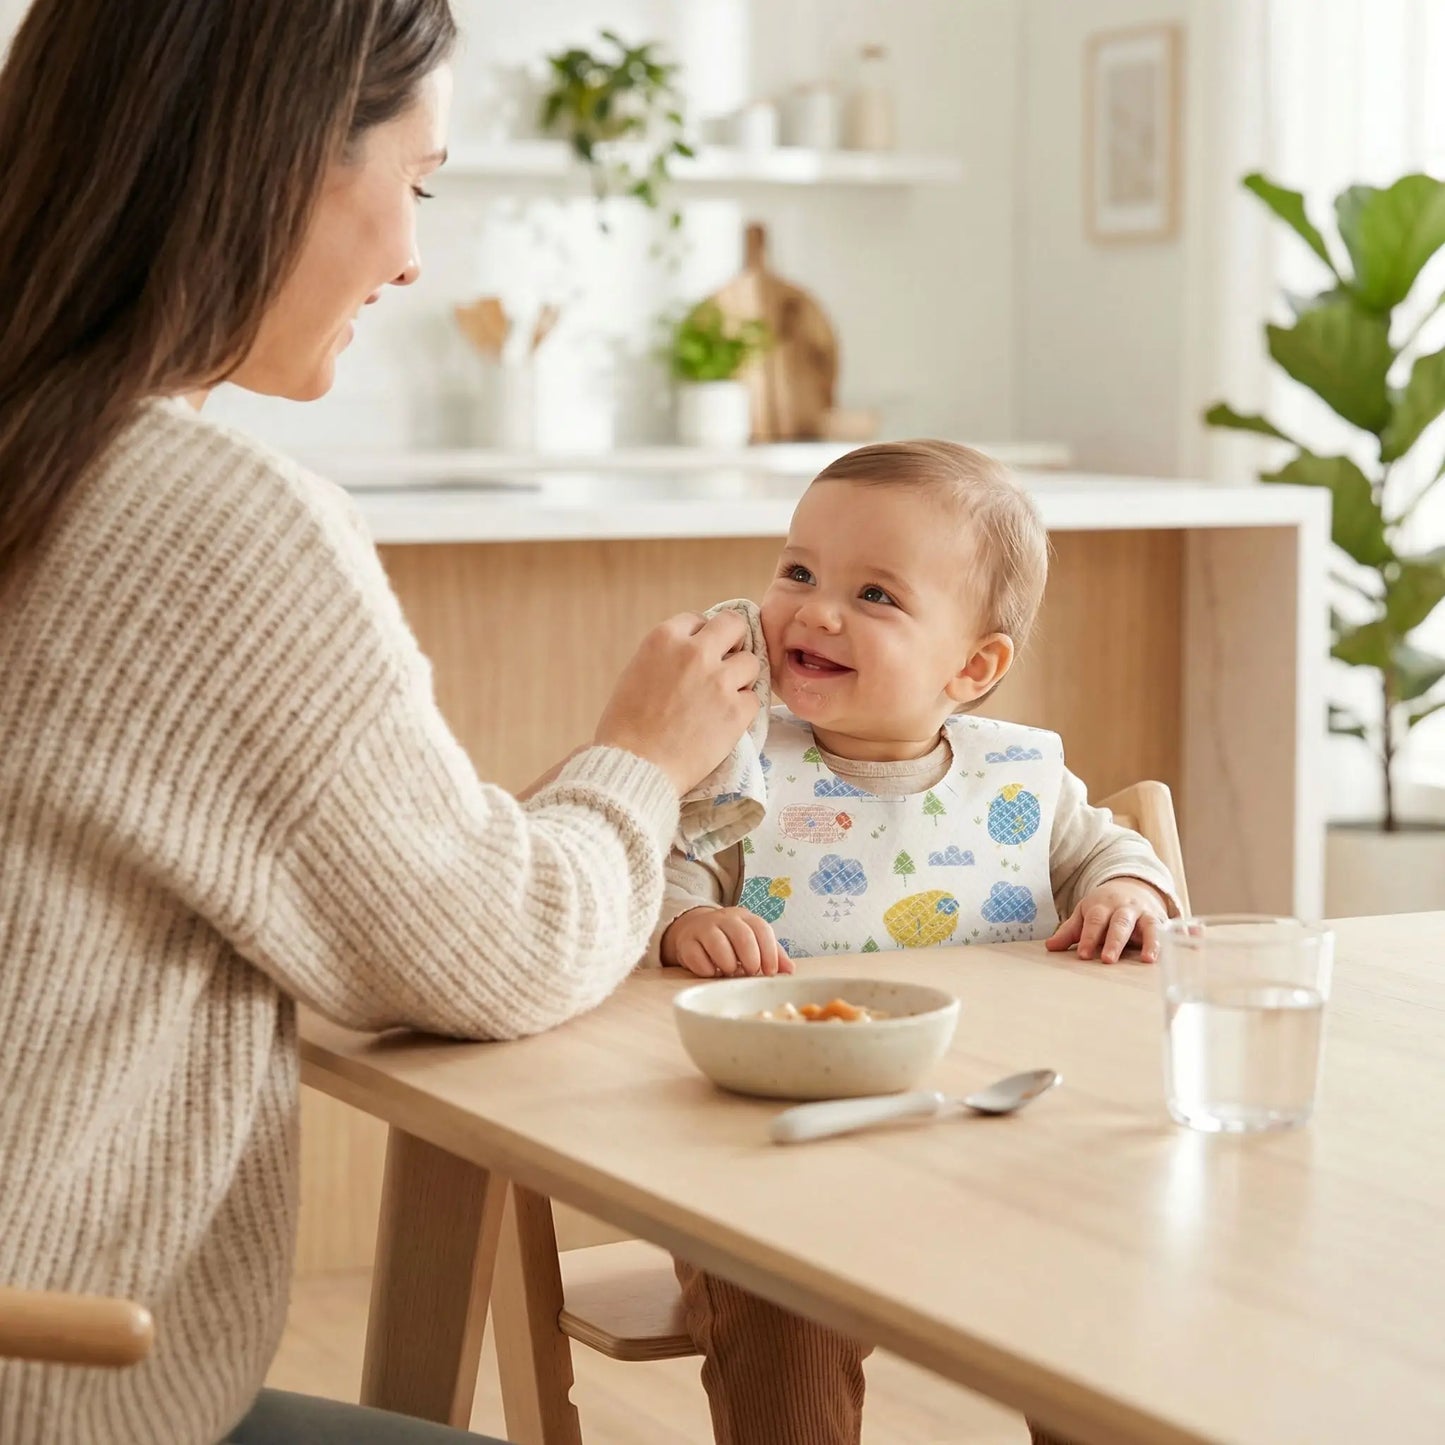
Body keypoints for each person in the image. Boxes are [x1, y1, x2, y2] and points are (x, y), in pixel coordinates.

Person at [0, 3, 759, 1442]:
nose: (415, 255)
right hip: (58, 1386)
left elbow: (375, 900)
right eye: (415, 184)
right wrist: (644, 758)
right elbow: (498, 947)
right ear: (278, 160)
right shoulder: (205, 524)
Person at [650, 441, 1180, 1445]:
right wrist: (688, 919)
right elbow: (673, 871)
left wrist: (1123, 887)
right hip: (784, 1168)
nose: (815, 610)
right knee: (771, 1289)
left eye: (875, 594)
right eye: (798, 571)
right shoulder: (735, 765)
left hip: (998, 1150)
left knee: (1109, 1272)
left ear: (972, 667)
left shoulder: (1018, 779)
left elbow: (1104, 843)